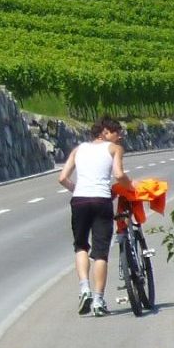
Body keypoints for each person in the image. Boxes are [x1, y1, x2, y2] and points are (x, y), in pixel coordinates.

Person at [57, 116, 132, 317]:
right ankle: (98, 301)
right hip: (101, 200)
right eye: (117, 132)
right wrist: (130, 186)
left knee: (81, 246)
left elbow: (62, 178)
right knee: (100, 252)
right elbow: (118, 175)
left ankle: (84, 289)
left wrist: (77, 189)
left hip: (80, 200)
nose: (119, 137)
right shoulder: (114, 149)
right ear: (106, 133)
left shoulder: (78, 149)